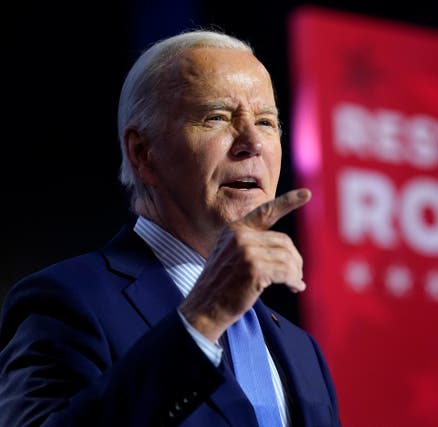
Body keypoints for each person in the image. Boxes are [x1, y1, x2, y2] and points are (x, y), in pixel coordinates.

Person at [0, 28, 341, 427]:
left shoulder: (303, 352)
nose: (252, 142)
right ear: (143, 154)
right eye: (217, 117)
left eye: (266, 122)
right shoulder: (65, 301)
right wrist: (204, 319)